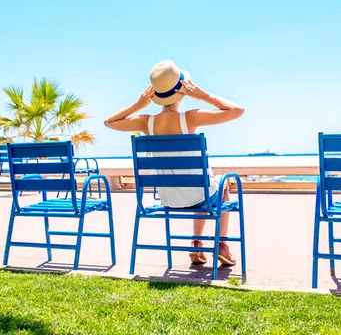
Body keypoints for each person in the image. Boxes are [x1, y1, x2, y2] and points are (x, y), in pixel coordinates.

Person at [104, 60, 244, 266]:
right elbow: (236, 110)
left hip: (168, 198)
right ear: (183, 91)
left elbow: (109, 122)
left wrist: (138, 105)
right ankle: (222, 244)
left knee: (204, 187)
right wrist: (202, 95)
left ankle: (197, 243)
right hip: (198, 195)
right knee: (220, 186)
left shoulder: (146, 121)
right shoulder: (190, 118)